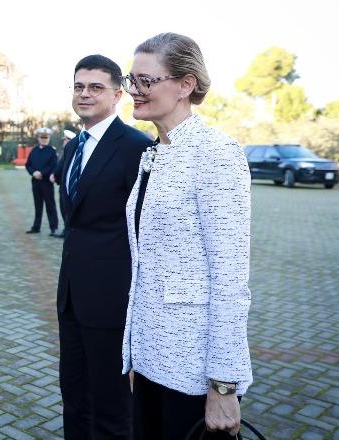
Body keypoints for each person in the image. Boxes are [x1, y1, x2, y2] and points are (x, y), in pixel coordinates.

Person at [121, 33, 252, 439]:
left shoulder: (215, 153)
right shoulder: (156, 152)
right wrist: (133, 356)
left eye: (146, 81)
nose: (135, 92)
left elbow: (230, 278)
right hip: (150, 361)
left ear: (185, 84)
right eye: (132, 80)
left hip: (194, 371)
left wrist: (224, 384)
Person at [56, 54, 152, 439]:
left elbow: (146, 229)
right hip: (72, 298)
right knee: (74, 398)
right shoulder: (72, 147)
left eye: (96, 87)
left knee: (111, 405)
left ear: (117, 94)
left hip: (112, 300)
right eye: (79, 86)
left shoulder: (137, 148)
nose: (85, 94)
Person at [25, 127, 60, 237]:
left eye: (46, 137)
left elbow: (54, 166)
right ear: (38, 138)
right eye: (42, 137)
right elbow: (28, 164)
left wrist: (42, 173)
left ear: (49, 138)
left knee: (50, 205)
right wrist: (33, 172)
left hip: (46, 183)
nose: (44, 139)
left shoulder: (52, 151)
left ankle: (53, 228)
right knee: (37, 205)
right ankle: (36, 227)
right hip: (35, 182)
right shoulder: (34, 150)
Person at [50, 129, 77, 238]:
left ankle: (68, 231)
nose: (63, 141)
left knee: (65, 209)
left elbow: (61, 167)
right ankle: (66, 230)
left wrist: (54, 176)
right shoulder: (66, 150)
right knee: (64, 209)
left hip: (65, 186)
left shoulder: (69, 151)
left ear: (69, 140)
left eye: (65, 139)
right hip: (63, 184)